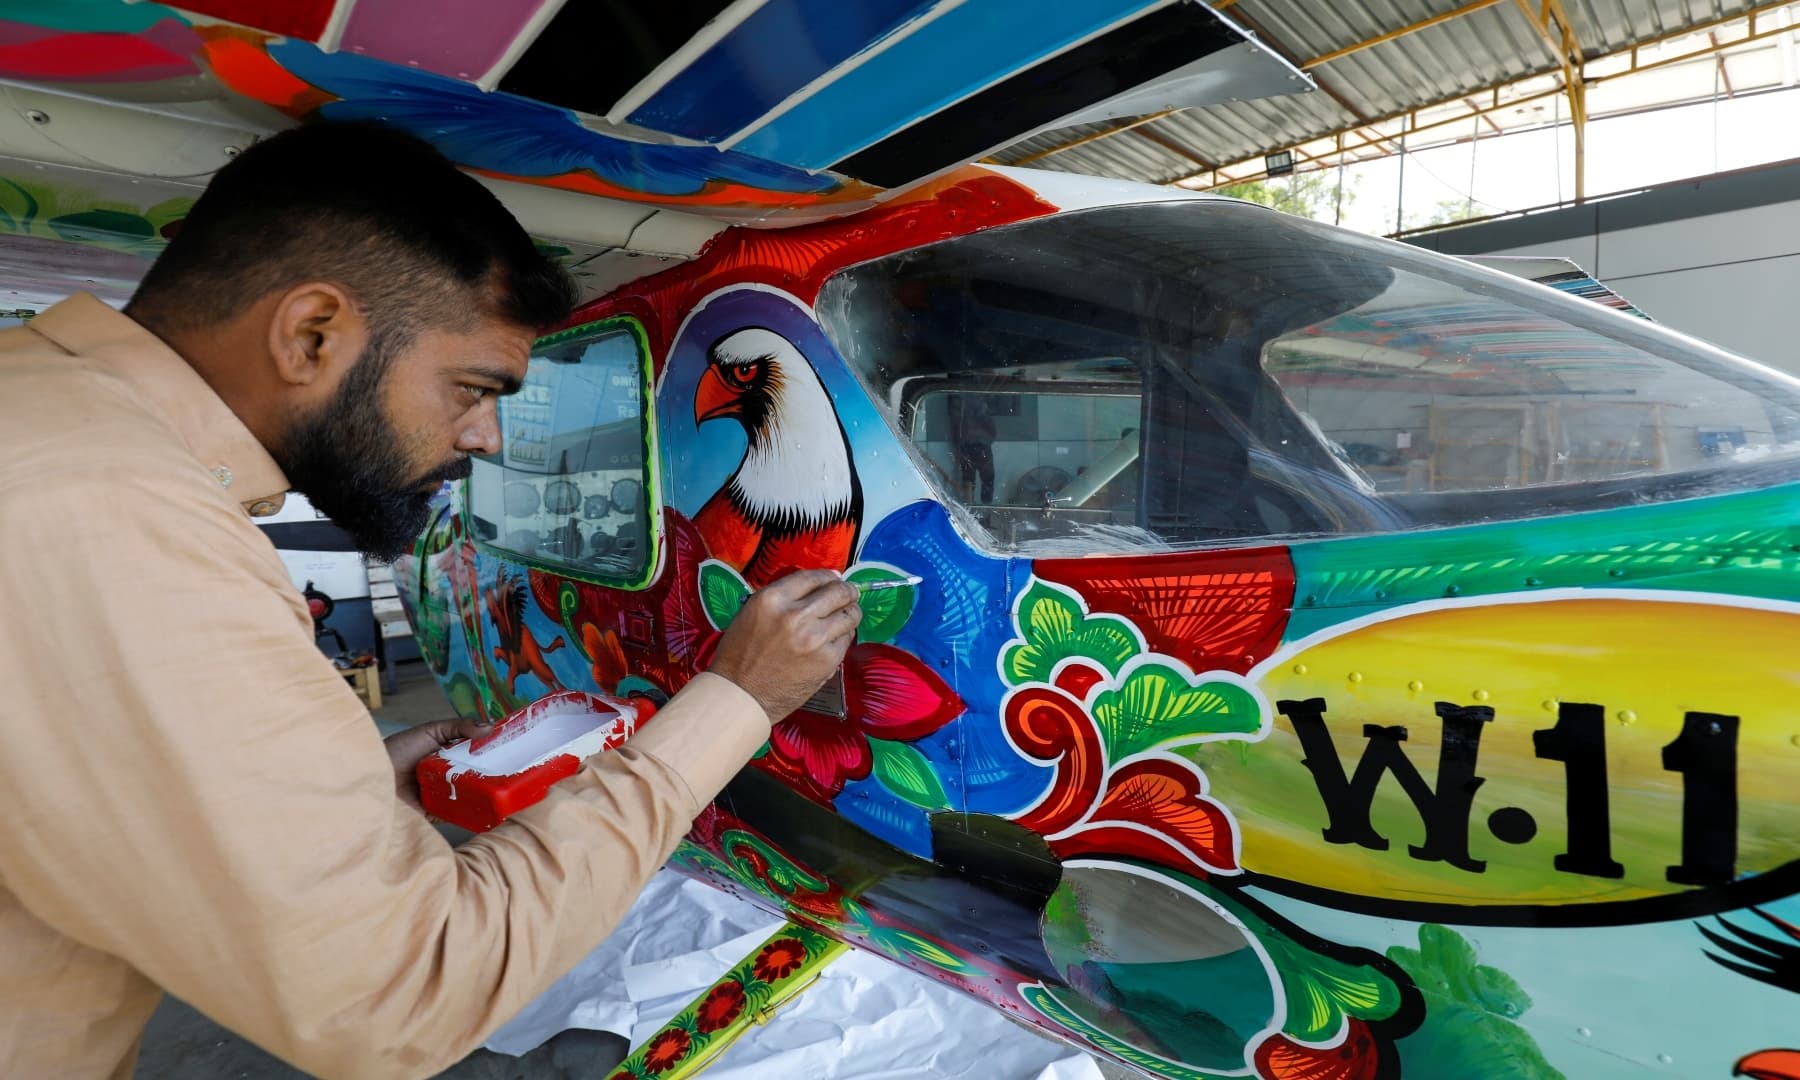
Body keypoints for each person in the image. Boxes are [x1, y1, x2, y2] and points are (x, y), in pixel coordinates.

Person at [0, 121, 861, 1078]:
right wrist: (735, 700)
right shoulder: (113, 515)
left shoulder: (52, 433)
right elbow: (397, 1000)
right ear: (311, 333)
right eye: (474, 386)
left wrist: (343, 794)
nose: (487, 437)